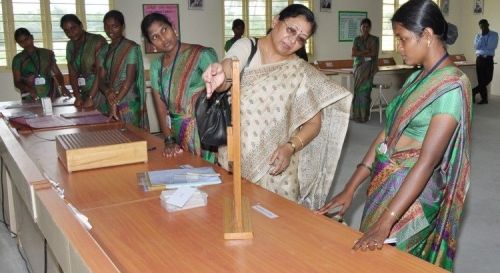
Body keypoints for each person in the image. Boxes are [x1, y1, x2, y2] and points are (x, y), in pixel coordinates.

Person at [317, 0, 471, 270]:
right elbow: (387, 134)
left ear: (426, 35)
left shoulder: (451, 86)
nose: (399, 48)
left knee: (398, 263)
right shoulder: (416, 79)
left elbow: (427, 161)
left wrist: (386, 221)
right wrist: (350, 188)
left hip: (412, 198)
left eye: (402, 39)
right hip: (386, 182)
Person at [202, 4, 352, 209]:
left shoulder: (301, 71)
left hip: (280, 167)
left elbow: (314, 124)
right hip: (238, 158)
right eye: (291, 30)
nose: (293, 41)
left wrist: (290, 147)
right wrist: (221, 75)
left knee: (281, 226)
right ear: (275, 21)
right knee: (238, 213)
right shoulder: (248, 47)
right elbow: (230, 67)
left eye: (301, 38)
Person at [141, 13, 218, 161]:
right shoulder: (156, 66)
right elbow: (161, 108)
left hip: (205, 135)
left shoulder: (202, 55)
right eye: (155, 37)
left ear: (173, 28)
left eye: (164, 30)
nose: (163, 39)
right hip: (176, 135)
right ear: (151, 44)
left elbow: (220, 97)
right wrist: (169, 140)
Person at [98, 10, 147, 128]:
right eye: (107, 26)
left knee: (132, 137)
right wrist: (107, 92)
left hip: (128, 101)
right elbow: (101, 78)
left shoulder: (131, 48)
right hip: (110, 99)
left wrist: (116, 101)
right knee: (114, 138)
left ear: (122, 27)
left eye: (114, 26)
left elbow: (129, 80)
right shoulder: (104, 50)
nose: (110, 30)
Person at [61, 14, 107, 109]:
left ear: (81, 25)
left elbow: (100, 73)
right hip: (83, 93)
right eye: (66, 31)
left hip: (100, 92)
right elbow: (72, 73)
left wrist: (91, 97)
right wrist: (77, 96)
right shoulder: (70, 45)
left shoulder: (97, 41)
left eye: (73, 28)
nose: (71, 33)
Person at [12, 28, 70, 102]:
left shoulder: (47, 53)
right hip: (31, 96)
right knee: (33, 113)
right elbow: (17, 82)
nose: (25, 43)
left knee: (54, 113)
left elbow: (57, 73)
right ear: (18, 43)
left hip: (51, 93)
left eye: (26, 39)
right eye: (21, 42)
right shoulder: (18, 59)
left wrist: (63, 86)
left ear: (31, 37)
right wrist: (28, 89)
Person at [351, 18, 379, 123]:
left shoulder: (374, 39)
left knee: (365, 93)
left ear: (370, 28)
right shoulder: (356, 39)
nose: (365, 28)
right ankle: (356, 115)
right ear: (360, 28)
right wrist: (367, 51)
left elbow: (373, 54)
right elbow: (353, 53)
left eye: (367, 26)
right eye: (363, 26)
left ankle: (364, 117)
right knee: (358, 92)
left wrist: (360, 52)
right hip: (358, 69)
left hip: (368, 70)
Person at [472, 19, 498, 104]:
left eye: (484, 25)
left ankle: (473, 91)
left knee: (488, 79)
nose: (483, 28)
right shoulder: (478, 35)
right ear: (480, 27)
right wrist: (482, 37)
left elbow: (491, 46)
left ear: (488, 24)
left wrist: (482, 46)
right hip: (480, 59)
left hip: (489, 59)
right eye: (481, 26)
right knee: (481, 80)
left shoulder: (494, 34)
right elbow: (476, 47)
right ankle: (484, 99)